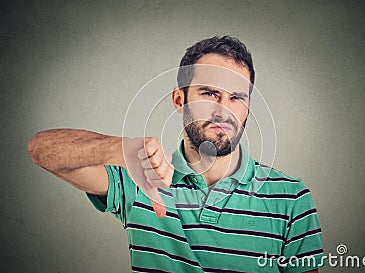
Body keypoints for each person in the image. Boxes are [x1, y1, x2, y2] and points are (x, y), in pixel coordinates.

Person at [28, 36, 324, 272]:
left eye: (236, 98)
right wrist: (120, 148)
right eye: (209, 93)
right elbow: (41, 150)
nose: (224, 110)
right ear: (179, 99)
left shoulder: (291, 197)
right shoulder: (139, 176)